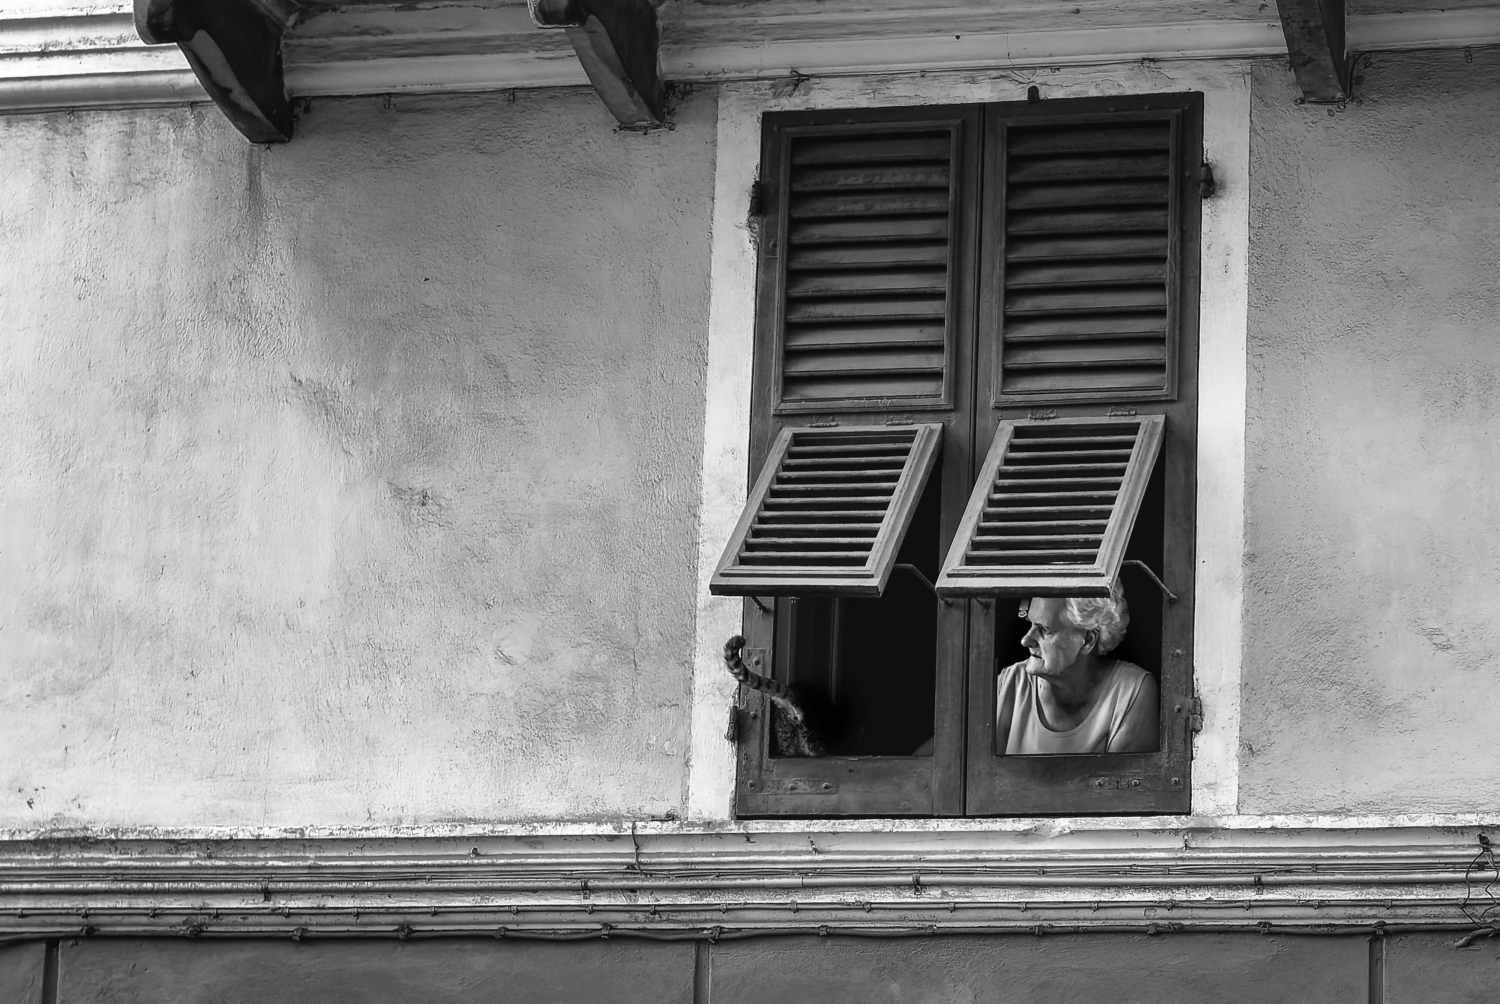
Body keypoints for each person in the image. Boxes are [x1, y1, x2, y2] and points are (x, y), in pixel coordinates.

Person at [996, 582, 1158, 754]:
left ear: (1087, 641)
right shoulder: (1010, 683)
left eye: (1044, 629)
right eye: (1031, 625)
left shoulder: (1130, 691)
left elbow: (1122, 778)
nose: (1026, 640)